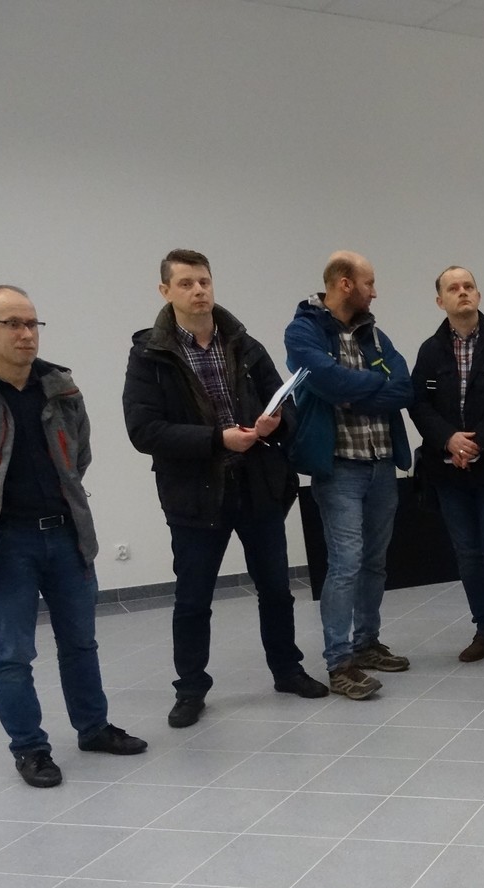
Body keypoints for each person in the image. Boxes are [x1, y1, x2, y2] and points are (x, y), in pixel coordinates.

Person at [0, 286, 146, 787]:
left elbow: (79, 456)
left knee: (81, 643)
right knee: (13, 655)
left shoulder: (60, 389)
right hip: (5, 547)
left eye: (32, 323)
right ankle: (30, 749)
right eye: (13, 324)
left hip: (66, 538)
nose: (26, 334)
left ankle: (93, 728)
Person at [123, 249, 329, 728]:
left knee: (276, 589)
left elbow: (286, 406)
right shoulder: (149, 356)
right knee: (193, 599)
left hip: (258, 486)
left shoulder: (243, 343)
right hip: (196, 494)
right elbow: (144, 430)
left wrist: (274, 423)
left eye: (204, 281)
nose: (198, 291)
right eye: (186, 283)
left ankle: (287, 670)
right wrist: (218, 439)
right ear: (165, 291)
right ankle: (190, 689)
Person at [284, 251, 413, 700]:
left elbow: (404, 386)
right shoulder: (303, 331)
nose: (374, 292)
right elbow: (325, 381)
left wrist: (353, 395)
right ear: (344, 283)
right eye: (369, 283)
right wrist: (370, 386)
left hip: (381, 461)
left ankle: (367, 643)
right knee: (345, 563)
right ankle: (340, 663)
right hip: (338, 466)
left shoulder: (373, 332)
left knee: (375, 561)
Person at [409, 266, 484, 664]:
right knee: (468, 554)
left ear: (478, 295)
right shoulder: (430, 351)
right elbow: (418, 404)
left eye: (469, 286)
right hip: (448, 470)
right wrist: (449, 439)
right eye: (453, 288)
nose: (463, 292)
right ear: (440, 301)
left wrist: (475, 444)